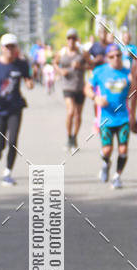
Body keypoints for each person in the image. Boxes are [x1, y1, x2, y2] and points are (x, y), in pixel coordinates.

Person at [0, 33, 33, 185]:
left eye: (13, 46)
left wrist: (30, 83)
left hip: (15, 107)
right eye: (7, 47)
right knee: (0, 143)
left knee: (12, 141)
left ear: (16, 47)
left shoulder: (21, 64)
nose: (10, 50)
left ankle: (8, 172)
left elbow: (28, 79)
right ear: (2, 48)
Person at [85, 43, 131, 188]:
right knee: (107, 150)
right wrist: (95, 98)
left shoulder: (127, 73)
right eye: (112, 56)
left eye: (118, 55)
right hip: (106, 118)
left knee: (123, 149)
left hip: (123, 117)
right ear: (107, 58)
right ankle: (106, 163)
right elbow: (87, 88)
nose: (116, 58)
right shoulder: (99, 71)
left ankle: (117, 177)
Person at [54, 28, 88, 151]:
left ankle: (74, 138)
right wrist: (60, 71)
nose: (71, 40)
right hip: (67, 86)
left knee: (78, 114)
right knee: (71, 111)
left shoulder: (82, 53)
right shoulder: (62, 52)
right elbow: (55, 63)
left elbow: (91, 65)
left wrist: (81, 66)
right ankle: (69, 137)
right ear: (67, 40)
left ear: (77, 39)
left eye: (73, 38)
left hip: (79, 86)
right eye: (69, 38)